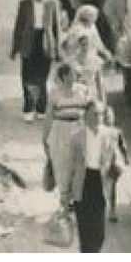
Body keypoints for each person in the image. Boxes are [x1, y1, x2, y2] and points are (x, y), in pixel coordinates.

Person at [61, 100, 124, 252]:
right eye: (94, 114)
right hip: (82, 182)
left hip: (100, 182)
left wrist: (118, 166)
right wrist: (65, 192)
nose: (98, 117)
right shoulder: (77, 137)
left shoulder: (110, 135)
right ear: (86, 116)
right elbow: (69, 165)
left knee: (99, 231)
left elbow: (118, 157)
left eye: (100, 114)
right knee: (84, 229)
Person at [10, 0, 64, 121]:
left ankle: (41, 108)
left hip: (46, 42)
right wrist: (15, 48)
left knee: (43, 77)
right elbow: (19, 26)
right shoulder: (25, 4)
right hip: (29, 42)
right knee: (27, 76)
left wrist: (58, 49)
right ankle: (28, 108)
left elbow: (57, 27)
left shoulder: (53, 3)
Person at [43, 63, 93, 210]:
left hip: (79, 130)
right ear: (63, 77)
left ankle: (75, 198)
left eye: (75, 74)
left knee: (79, 165)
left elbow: (91, 111)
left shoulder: (83, 91)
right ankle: (65, 200)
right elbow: (48, 117)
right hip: (60, 132)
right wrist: (44, 138)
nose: (74, 77)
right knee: (62, 165)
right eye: (70, 74)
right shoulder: (54, 93)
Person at [59, 5, 114, 102]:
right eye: (94, 16)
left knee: (99, 81)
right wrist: (74, 59)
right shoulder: (78, 29)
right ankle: (81, 103)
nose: (96, 18)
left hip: (92, 57)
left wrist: (105, 52)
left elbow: (98, 42)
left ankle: (102, 102)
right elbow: (69, 44)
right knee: (83, 84)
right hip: (82, 60)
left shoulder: (92, 26)